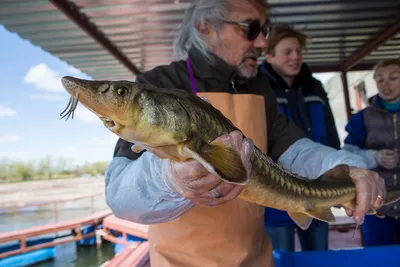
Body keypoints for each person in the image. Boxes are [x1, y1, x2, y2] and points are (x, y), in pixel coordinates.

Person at [105, 1, 386, 266]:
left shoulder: (258, 86)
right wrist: (168, 178)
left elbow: (295, 149)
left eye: (264, 31)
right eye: (250, 29)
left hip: (256, 258)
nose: (263, 43)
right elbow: (120, 197)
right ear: (205, 27)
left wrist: (346, 168)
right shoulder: (158, 84)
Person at [259, 24, 340, 251]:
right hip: (277, 190)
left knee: (319, 255)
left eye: (299, 52)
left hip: (317, 187)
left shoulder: (314, 87)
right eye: (287, 52)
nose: (296, 57)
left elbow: (331, 133)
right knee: (280, 255)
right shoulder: (258, 88)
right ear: (269, 55)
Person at [342, 58, 400, 247]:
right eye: (380, 79)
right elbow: (348, 155)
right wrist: (375, 157)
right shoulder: (362, 118)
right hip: (376, 202)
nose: (386, 84)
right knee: (377, 255)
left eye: (393, 77)